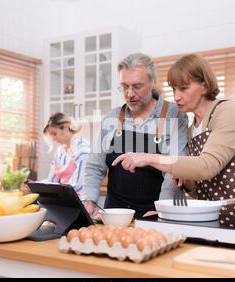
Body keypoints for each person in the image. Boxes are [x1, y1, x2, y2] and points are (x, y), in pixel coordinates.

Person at [112, 54, 235, 226]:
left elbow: (206, 167)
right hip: (217, 220)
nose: (176, 96)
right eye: (174, 89)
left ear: (203, 86)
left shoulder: (227, 111)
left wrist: (149, 158)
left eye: (183, 88)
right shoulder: (191, 130)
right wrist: (186, 181)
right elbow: (201, 190)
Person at [81, 53, 189, 218]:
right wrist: (89, 200)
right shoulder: (111, 118)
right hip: (115, 216)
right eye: (124, 87)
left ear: (152, 82)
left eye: (137, 86)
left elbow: (175, 169)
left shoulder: (174, 114)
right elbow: (94, 167)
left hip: (156, 214)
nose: (129, 94)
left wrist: (162, 210)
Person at [42, 112, 91, 194]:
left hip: (80, 201)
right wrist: (35, 186)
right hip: (64, 198)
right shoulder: (59, 152)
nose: (53, 139)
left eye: (54, 134)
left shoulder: (83, 150)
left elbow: (76, 186)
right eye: (51, 135)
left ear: (66, 127)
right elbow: (52, 181)